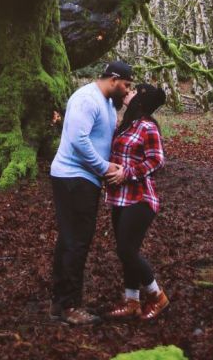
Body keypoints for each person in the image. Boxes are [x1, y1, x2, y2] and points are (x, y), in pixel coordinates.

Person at [49, 59, 134, 326]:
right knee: (77, 242)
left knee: (70, 240)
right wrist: (104, 167)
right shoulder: (87, 99)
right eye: (126, 85)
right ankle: (69, 306)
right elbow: (78, 140)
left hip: (85, 179)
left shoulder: (107, 103)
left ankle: (60, 301)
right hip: (73, 178)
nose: (127, 90)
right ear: (114, 79)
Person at [104, 82, 169, 321]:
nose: (128, 92)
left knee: (126, 249)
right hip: (120, 197)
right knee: (126, 251)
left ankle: (157, 297)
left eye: (133, 92)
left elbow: (157, 161)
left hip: (141, 197)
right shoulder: (127, 125)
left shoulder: (147, 127)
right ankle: (132, 301)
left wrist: (126, 173)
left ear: (140, 101)